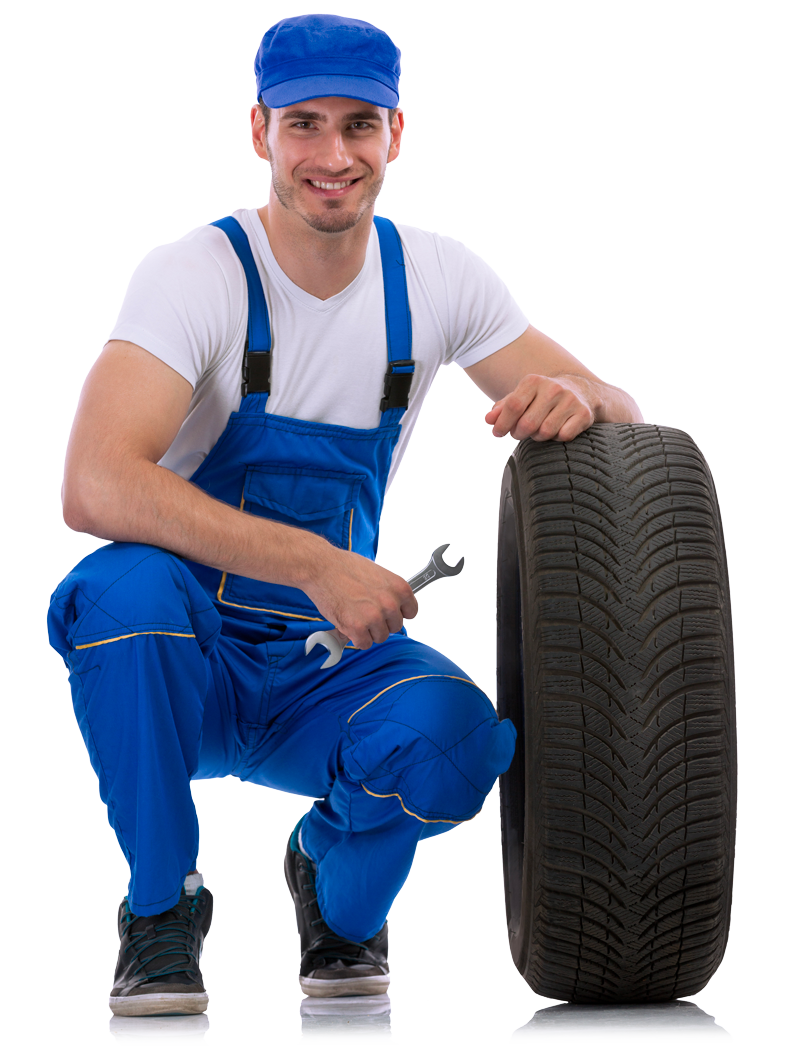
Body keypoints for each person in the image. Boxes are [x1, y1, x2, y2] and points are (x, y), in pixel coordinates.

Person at [47, 13, 643, 1018]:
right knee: (121, 590)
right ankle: (161, 906)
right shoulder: (199, 275)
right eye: (304, 125)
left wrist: (583, 400)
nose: (332, 156)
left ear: (395, 134)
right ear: (258, 130)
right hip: (185, 663)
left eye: (358, 126)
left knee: (456, 739)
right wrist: (314, 560)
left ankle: (327, 874)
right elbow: (94, 482)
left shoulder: (437, 279)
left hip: (329, 667)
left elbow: (622, 406)